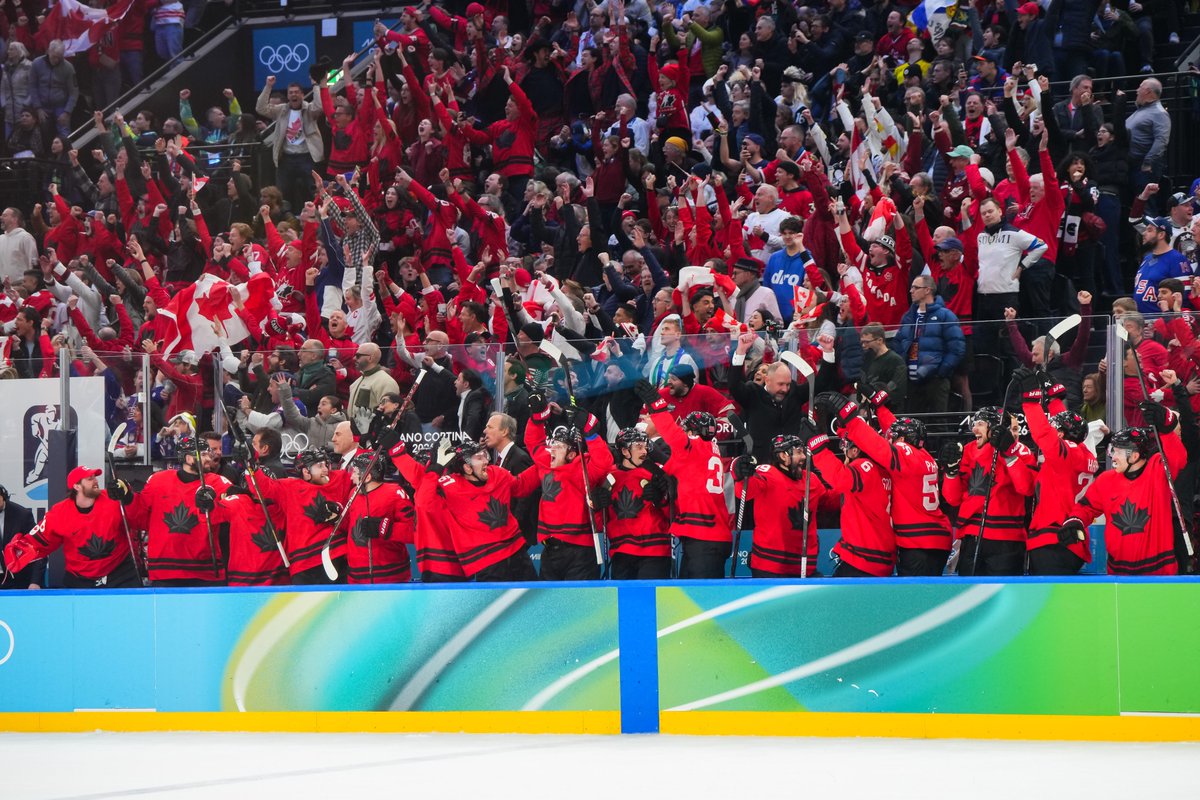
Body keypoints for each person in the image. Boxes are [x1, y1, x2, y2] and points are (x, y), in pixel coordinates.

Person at [835, 394, 953, 576]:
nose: (888, 439)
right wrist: (879, 408)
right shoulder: (925, 456)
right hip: (939, 536)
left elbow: (877, 446)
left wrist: (851, 420)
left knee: (914, 600)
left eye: (893, 438)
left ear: (902, 440)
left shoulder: (903, 452)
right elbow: (898, 432)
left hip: (917, 541)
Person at [1061, 406, 1184, 575]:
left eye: (1117, 451)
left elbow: (1178, 457)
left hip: (1159, 574)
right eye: (1112, 450)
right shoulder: (1106, 480)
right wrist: (1076, 520)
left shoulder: (1157, 471)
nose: (1112, 456)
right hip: (1119, 574)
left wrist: (1167, 426)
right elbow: (1086, 507)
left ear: (1134, 456)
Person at [635, 379, 731, 579]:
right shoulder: (708, 451)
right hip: (706, 535)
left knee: (701, 602)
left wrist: (656, 405)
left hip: (704, 536)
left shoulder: (693, 446)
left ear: (690, 431)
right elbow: (675, 467)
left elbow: (670, 432)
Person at [1014, 368, 1099, 576]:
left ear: (1060, 434)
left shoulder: (1066, 452)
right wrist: (1053, 399)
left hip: (1053, 540)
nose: (1052, 430)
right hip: (1070, 540)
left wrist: (1031, 402)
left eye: (1056, 430)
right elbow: (1065, 424)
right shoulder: (1083, 453)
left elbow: (1044, 433)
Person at [518, 401, 612, 580]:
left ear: (571, 454)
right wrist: (537, 417)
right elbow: (533, 442)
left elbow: (604, 461)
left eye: (559, 446)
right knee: (550, 606)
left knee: (579, 603)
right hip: (549, 549)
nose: (552, 448)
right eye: (553, 444)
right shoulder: (546, 463)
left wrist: (590, 433)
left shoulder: (582, 468)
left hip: (579, 552)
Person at [803, 398, 896, 578]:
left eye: (846, 446)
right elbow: (839, 495)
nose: (843, 449)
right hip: (879, 556)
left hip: (865, 559)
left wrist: (817, 447)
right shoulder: (881, 470)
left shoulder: (863, 467)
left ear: (854, 451)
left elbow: (839, 479)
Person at [4, 467, 140, 589]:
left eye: (95, 477)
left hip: (120, 575)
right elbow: (41, 538)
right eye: (90, 478)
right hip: (80, 581)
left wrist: (128, 496)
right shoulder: (59, 512)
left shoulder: (114, 499)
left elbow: (139, 517)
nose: (95, 481)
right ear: (77, 486)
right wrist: (21, 549)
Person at [125, 435, 231, 586]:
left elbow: (235, 508)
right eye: (204, 454)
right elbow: (140, 518)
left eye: (209, 453)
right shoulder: (158, 480)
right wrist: (128, 498)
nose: (209, 458)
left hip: (205, 571)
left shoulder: (217, 482)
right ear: (189, 459)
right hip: (164, 570)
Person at [941, 407, 1034, 576]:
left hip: (1006, 540)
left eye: (980, 424)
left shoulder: (1021, 451)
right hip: (971, 537)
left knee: (1005, 598)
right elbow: (952, 499)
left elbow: (1026, 488)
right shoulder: (968, 450)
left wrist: (1009, 455)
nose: (974, 429)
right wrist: (950, 473)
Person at [430, 439, 538, 581]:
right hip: (486, 562)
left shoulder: (498, 474)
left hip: (517, 552)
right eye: (479, 458)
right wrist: (435, 468)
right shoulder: (449, 486)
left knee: (534, 600)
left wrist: (543, 463)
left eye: (485, 455)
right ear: (467, 468)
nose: (486, 461)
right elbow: (424, 500)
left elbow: (521, 486)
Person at [250, 448, 353, 584]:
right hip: (303, 564)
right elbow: (264, 488)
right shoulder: (290, 488)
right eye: (319, 466)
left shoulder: (340, 478)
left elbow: (362, 475)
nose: (326, 469)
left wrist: (339, 511)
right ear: (306, 472)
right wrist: (251, 466)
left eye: (326, 464)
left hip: (335, 554)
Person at [731, 434, 827, 578]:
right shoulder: (768, 474)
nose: (803, 457)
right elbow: (744, 491)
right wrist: (738, 470)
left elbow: (831, 500)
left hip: (804, 568)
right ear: (783, 456)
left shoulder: (811, 479)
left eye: (803, 451)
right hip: (770, 568)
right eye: (798, 452)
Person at [593, 428, 672, 580]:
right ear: (625, 451)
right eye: (638, 447)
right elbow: (599, 523)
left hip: (655, 552)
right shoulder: (608, 477)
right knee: (626, 603)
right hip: (621, 553)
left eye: (645, 446)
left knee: (650, 602)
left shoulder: (657, 472)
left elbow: (673, 516)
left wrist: (661, 500)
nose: (644, 451)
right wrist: (597, 507)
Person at [893, 274, 965, 413]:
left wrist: (940, 372)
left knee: (938, 425)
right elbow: (898, 342)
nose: (911, 291)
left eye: (915, 287)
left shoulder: (945, 315)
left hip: (935, 381)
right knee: (913, 425)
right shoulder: (908, 316)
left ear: (927, 290)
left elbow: (957, 348)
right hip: (911, 383)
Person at [343, 453, 416, 584]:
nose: (351, 477)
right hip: (356, 578)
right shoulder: (353, 493)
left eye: (355, 472)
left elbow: (414, 532)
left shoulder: (395, 493)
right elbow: (349, 527)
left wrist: (386, 528)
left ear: (367, 477)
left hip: (391, 578)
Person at [0, 486, 40, 589]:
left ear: (3, 496)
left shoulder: (21, 515)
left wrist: (35, 582)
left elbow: (39, 548)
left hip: (16, 581)